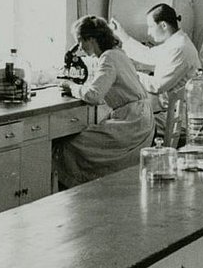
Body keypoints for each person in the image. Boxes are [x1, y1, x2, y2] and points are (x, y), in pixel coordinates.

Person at [53, 15, 154, 188]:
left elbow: (94, 96)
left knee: (69, 146)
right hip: (141, 119)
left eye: (80, 41)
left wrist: (70, 86)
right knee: (80, 142)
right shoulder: (118, 54)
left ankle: (74, 193)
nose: (80, 47)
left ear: (91, 39)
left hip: (132, 122)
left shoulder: (108, 58)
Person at [116, 2, 201, 145]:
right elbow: (148, 55)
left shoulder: (179, 48)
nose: (149, 32)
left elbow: (157, 86)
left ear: (163, 25)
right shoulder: (176, 43)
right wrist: (122, 35)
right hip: (176, 115)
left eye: (150, 27)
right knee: (128, 125)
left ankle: (130, 165)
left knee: (126, 129)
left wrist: (129, 72)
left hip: (178, 120)